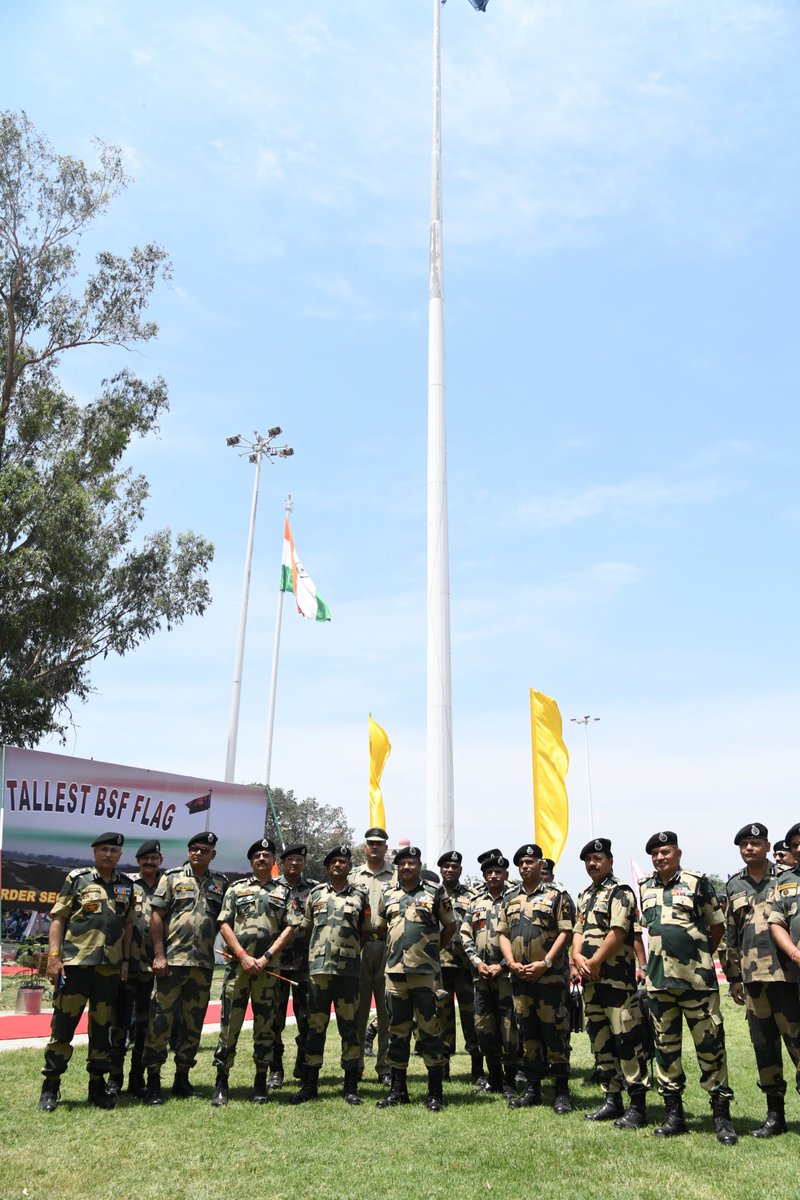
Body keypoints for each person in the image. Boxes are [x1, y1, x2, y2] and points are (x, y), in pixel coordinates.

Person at [639, 830, 736, 1144]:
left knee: (711, 1049)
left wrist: (701, 958)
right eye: (655, 854)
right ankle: (674, 1116)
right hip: (658, 984)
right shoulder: (645, 887)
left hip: (697, 984)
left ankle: (721, 1118)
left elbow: (716, 924)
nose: (659, 858)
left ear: (677, 853)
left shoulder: (697, 882)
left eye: (665, 852)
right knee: (666, 1051)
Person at [38, 831, 135, 1112]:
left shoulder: (126, 885)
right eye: (103, 849)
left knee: (102, 1029)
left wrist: (126, 960)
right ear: (95, 853)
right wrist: (54, 958)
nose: (108, 854)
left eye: (114, 851)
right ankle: (51, 1086)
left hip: (108, 969)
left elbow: (128, 926)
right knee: (63, 1028)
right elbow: (58, 919)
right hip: (75, 966)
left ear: (120, 855)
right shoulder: (77, 879)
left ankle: (97, 1086)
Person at [141, 830, 228, 1104]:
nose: (199, 853)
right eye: (194, 849)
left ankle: (182, 1078)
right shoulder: (171, 878)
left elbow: (226, 920)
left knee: (193, 1023)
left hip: (202, 966)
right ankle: (153, 1081)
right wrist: (158, 955)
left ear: (212, 854)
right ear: (188, 852)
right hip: (172, 963)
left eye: (204, 850)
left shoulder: (220, 882)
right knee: (160, 1021)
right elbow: (157, 915)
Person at [211, 837, 298, 1106]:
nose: (262, 859)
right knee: (229, 1027)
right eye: (257, 855)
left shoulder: (284, 892)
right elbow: (224, 924)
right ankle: (221, 1081)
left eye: (267, 855)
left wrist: (267, 956)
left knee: (265, 1027)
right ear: (251, 861)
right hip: (239, 969)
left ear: (274, 862)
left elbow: (290, 926)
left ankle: (261, 1081)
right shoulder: (236, 889)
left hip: (267, 971)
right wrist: (243, 956)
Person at [727, 822, 800, 1137]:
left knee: (797, 1044)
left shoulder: (785, 878)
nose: (748, 849)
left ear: (768, 846)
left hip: (787, 976)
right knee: (764, 1047)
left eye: (755, 843)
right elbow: (730, 935)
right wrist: (733, 977)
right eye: (744, 844)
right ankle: (775, 1116)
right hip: (753, 979)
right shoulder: (733, 886)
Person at [572, 837, 649, 1129]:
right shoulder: (585, 894)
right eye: (588, 860)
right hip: (591, 983)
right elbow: (578, 928)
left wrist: (595, 961)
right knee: (600, 1041)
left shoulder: (621, 892)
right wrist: (578, 956)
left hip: (616, 982)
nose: (593, 863)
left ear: (610, 861)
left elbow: (618, 931)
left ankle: (638, 1107)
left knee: (626, 1041)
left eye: (598, 858)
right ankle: (612, 1100)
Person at [290, 844, 372, 1105]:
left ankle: (350, 1085)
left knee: (349, 1029)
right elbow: (305, 930)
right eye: (334, 861)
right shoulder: (314, 895)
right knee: (315, 1028)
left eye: (343, 862)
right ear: (327, 867)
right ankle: (310, 1084)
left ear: (350, 867)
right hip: (319, 973)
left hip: (348, 973)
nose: (338, 865)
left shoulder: (360, 896)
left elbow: (366, 931)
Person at [377, 844, 455, 1111]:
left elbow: (451, 925)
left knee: (430, 1031)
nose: (408, 867)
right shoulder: (387, 893)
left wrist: (431, 951)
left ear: (419, 866)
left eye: (413, 863)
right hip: (395, 973)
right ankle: (398, 1090)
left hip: (424, 974)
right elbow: (380, 927)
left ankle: (435, 1092)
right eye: (403, 863)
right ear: (397, 867)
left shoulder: (435, 891)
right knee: (397, 1031)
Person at [497, 843, 574, 1114]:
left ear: (542, 865)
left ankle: (562, 1092)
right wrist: (512, 964)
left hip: (549, 977)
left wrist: (546, 962)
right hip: (520, 977)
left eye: (530, 861)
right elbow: (503, 933)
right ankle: (532, 1088)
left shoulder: (557, 895)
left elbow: (566, 933)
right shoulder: (509, 898)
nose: (525, 866)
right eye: (521, 863)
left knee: (555, 1032)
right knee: (527, 1033)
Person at [461, 849, 520, 1098]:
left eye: (498, 871)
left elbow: (520, 938)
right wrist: (476, 961)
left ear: (506, 873)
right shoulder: (475, 901)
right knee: (484, 1027)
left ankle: (510, 1080)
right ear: (484, 875)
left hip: (507, 976)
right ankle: (493, 1077)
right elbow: (465, 934)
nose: (494, 875)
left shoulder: (516, 899)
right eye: (489, 872)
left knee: (509, 1028)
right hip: (481, 976)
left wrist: (504, 965)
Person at [109, 838, 164, 1098]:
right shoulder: (125, 884)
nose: (149, 862)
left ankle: (137, 1078)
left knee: (146, 1025)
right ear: (139, 861)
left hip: (155, 968)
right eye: (145, 859)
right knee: (119, 1024)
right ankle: (114, 1078)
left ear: (160, 861)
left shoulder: (169, 885)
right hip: (126, 965)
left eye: (154, 858)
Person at [269, 843, 316, 1089]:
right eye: (290, 860)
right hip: (275, 965)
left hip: (304, 965)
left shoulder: (314, 890)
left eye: (299, 860)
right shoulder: (270, 888)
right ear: (283, 862)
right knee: (273, 1020)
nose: (295, 864)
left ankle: (302, 1062)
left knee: (306, 1019)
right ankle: (275, 1070)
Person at [352, 826, 394, 1086]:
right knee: (358, 1009)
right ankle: (355, 1063)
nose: (375, 847)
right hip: (360, 947)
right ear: (365, 847)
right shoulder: (353, 875)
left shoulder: (398, 875)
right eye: (371, 843)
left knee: (387, 1011)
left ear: (386, 848)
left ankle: (386, 1067)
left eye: (380, 843)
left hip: (389, 947)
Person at [437, 850, 482, 1082]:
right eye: (446, 866)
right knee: (442, 1018)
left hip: (466, 966)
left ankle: (477, 1069)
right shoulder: (432, 893)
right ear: (441, 870)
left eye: (454, 866)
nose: (450, 870)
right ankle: (443, 1070)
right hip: (441, 965)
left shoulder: (472, 896)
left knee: (471, 1017)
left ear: (460, 870)